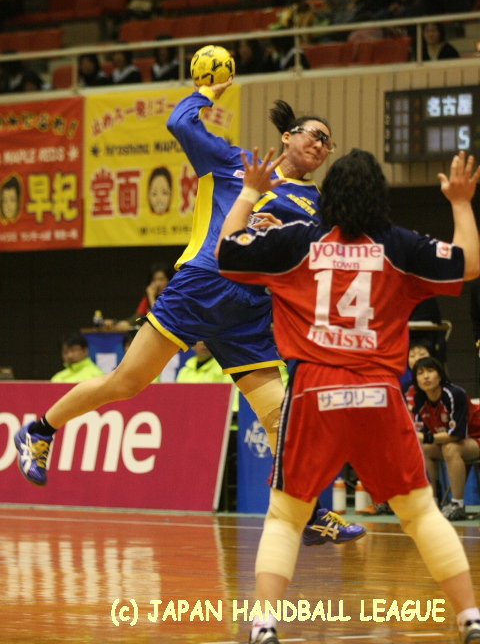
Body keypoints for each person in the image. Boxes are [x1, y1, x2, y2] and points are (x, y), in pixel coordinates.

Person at [13, 81, 365, 545]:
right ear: (288, 136)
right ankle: (39, 431)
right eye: (315, 134)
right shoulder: (235, 162)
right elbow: (180, 123)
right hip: (201, 289)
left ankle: (311, 514)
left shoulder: (318, 207)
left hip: (250, 313)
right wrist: (205, 91)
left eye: (328, 143)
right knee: (126, 383)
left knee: (282, 419)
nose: (321, 145)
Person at [216, 148, 480, 644]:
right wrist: (461, 202)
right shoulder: (399, 246)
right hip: (378, 393)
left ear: (328, 197)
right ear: (379, 197)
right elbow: (468, 265)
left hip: (314, 392)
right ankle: (470, 618)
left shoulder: (298, 240)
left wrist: (250, 191)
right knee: (421, 513)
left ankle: (264, 625)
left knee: (286, 516)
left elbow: (226, 251)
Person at [412, 356, 480, 521]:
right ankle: (432, 501)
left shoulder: (454, 394)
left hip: (475, 437)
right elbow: (422, 434)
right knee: (425, 448)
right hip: (455, 442)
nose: (426, 376)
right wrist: (423, 438)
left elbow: (456, 434)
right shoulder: (419, 399)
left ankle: (457, 505)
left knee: (451, 448)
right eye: (420, 373)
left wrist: (425, 437)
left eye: (430, 371)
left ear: (440, 375)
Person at [105, 262, 173, 331]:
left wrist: (151, 296)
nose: (157, 283)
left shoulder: (172, 298)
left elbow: (159, 319)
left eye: (161, 279)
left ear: (169, 281)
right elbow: (136, 319)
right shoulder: (147, 299)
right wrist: (115, 322)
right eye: (154, 280)